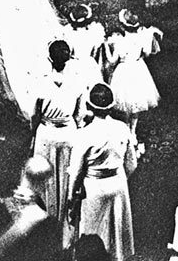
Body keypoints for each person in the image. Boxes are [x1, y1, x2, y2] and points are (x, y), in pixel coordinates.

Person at [66, 82, 137, 261]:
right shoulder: (122, 128)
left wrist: (71, 199)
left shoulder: (84, 134)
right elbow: (132, 164)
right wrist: (117, 177)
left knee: (93, 233)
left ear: (89, 106)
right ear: (111, 106)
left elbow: (75, 172)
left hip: (94, 190)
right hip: (118, 185)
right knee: (116, 235)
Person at [31, 40, 84, 237]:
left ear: (49, 59)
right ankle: (64, 223)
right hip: (68, 133)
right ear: (69, 58)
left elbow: (34, 114)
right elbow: (79, 115)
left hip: (46, 133)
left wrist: (34, 132)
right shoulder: (78, 82)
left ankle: (46, 225)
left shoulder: (40, 81)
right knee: (67, 176)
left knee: (45, 178)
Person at [105, 9, 160, 144]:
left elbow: (112, 60)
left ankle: (127, 132)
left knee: (126, 105)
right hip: (138, 68)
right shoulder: (142, 38)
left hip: (124, 70)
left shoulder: (119, 41)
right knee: (136, 103)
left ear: (122, 26)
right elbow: (147, 53)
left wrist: (106, 46)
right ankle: (132, 132)